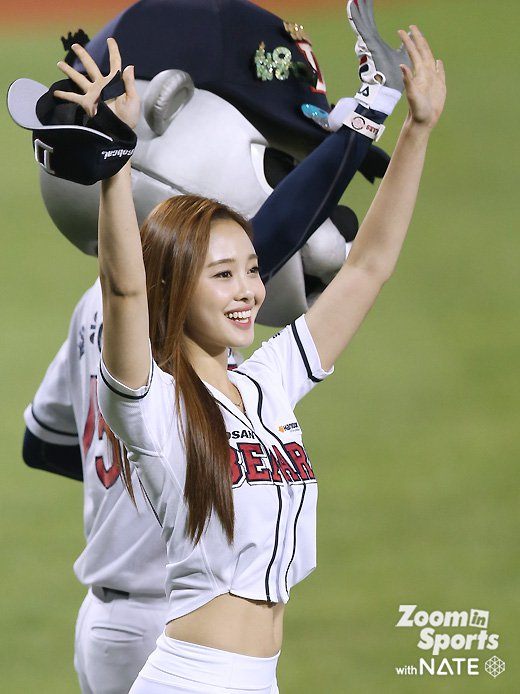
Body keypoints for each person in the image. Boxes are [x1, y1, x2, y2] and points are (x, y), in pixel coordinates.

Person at [48, 20, 445, 693]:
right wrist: (115, 166)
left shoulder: (266, 382)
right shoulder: (151, 404)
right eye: (224, 275)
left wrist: (416, 131)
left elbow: (368, 267)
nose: (250, 292)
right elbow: (123, 286)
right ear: (174, 288)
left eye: (253, 271)